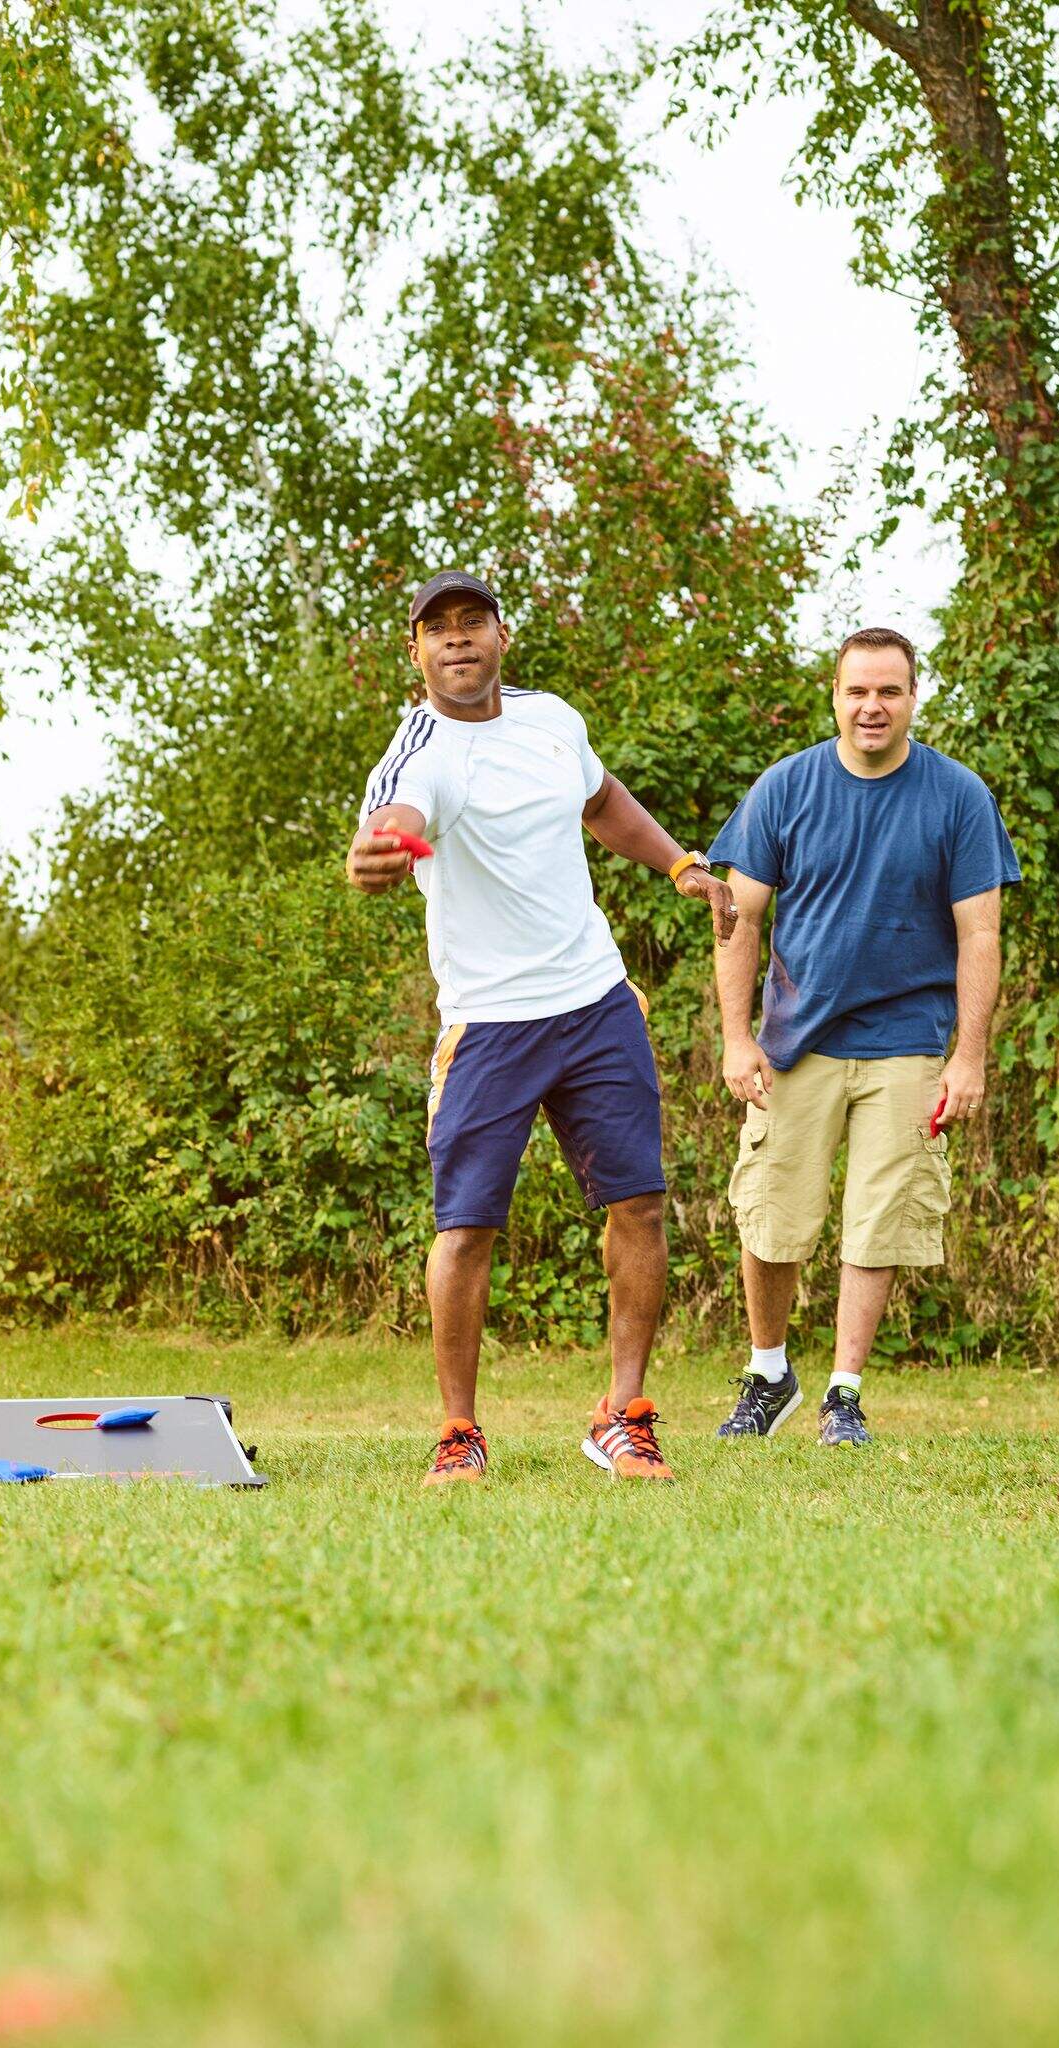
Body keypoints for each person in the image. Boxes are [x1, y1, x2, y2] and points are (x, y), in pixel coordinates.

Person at [347, 569, 737, 1489]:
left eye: (471, 622)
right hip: (489, 1025)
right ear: (416, 653)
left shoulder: (552, 719)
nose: (456, 641)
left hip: (596, 1001)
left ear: (501, 634)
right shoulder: (421, 751)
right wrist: (379, 850)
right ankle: (459, 1432)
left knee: (638, 1204)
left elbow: (601, 803)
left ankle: (623, 1418)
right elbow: (396, 815)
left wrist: (680, 863)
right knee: (466, 1227)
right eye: (435, 629)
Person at [706, 627, 1020, 1447]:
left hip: (909, 1041)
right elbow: (739, 920)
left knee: (879, 1220)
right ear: (835, 696)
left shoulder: (957, 796)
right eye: (857, 691)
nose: (872, 706)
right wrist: (737, 1039)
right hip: (796, 1041)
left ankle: (843, 1395)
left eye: (889, 691)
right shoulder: (786, 787)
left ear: (915, 696)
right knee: (773, 1216)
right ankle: (768, 1371)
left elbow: (980, 935)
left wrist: (970, 1055)